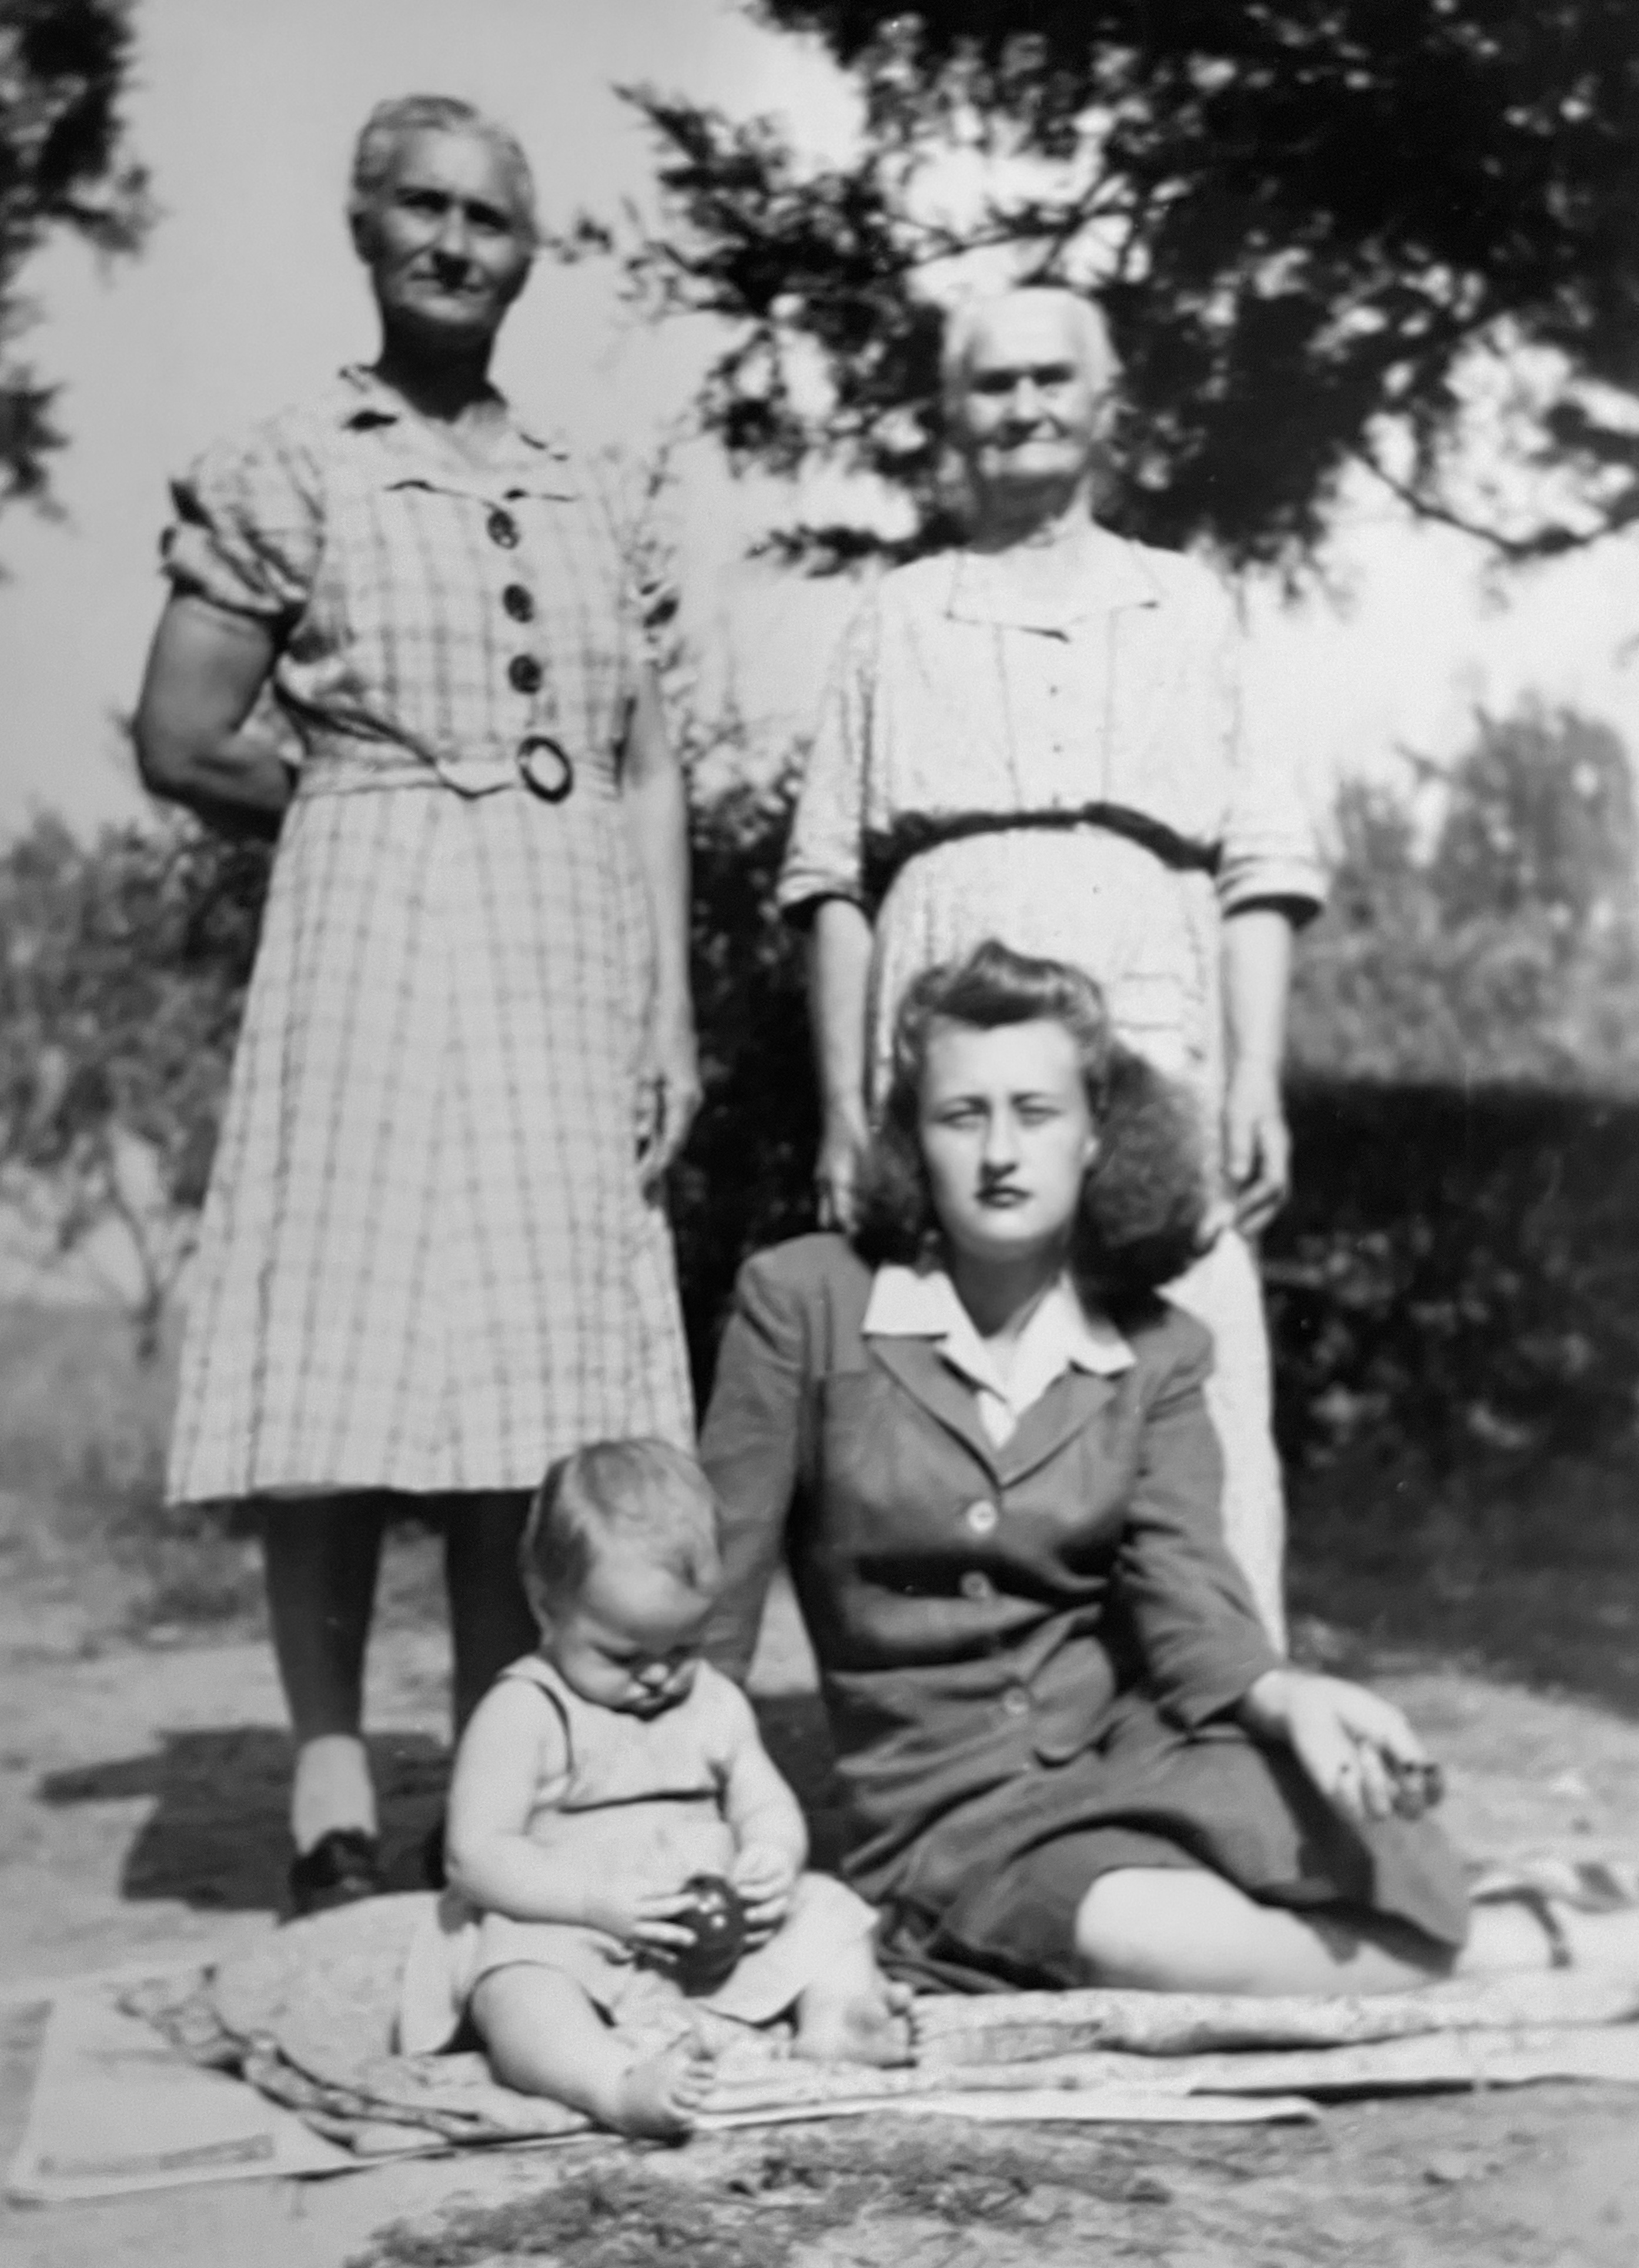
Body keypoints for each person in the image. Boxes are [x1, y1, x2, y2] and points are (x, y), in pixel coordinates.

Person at [132, 97, 698, 1914]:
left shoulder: (595, 487)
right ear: (364, 227)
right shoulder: (295, 463)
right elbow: (181, 736)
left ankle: (492, 1770)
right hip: (369, 939)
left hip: (566, 954)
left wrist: (667, 1015)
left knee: (529, 1381)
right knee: (349, 1360)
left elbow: (645, 766)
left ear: (530, 253)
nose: (453, 243)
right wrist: (363, 810)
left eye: (489, 219)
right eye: (421, 209)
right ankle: (326, 1784)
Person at [701, 944, 1639, 1995]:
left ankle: (1447, 1928)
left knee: (1362, 1834)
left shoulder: (1156, 1350)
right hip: (947, 1820)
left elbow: (1186, 1594)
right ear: (914, 1137)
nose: (1000, 1152)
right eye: (962, 1115)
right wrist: (672, 1819)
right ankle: (1518, 1948)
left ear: (1097, 1132)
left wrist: (1288, 1696)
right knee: (1146, 1936)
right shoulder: (804, 1304)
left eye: (1036, 1113)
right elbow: (713, 1606)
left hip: (1135, 1755)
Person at [780, 285, 1324, 1644]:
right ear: (950, 416)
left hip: (1147, 1018)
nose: (1023, 406)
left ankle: (1216, 1691)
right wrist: (844, 1108)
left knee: (1181, 1349)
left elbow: (1260, 866)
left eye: (1050, 379)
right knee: (961, 1379)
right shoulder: (901, 615)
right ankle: (982, 1707)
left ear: (1105, 406)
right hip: (944, 1035)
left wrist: (1254, 1076)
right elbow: (829, 881)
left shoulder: (1187, 604)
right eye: (992, 384)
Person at [399, 1438, 908, 2137]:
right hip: (570, 1932)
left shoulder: (713, 1701)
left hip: (705, 1939)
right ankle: (610, 2082)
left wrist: (771, 1854)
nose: (659, 1675)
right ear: (546, 1603)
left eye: (684, 1647)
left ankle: (839, 2021)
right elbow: (476, 1855)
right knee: (518, 1987)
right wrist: (592, 1902)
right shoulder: (526, 1710)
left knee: (829, 1909)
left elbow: (763, 1799)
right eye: (623, 1654)